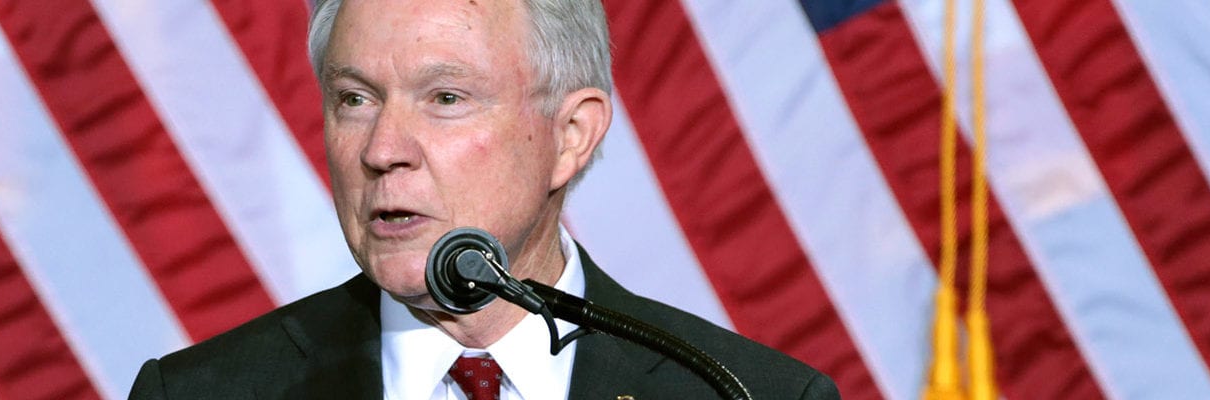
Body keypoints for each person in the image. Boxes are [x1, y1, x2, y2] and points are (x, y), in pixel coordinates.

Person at [128, 0, 840, 398]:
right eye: (354, 99)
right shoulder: (200, 397)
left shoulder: (743, 397)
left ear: (571, 135)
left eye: (445, 98)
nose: (382, 149)